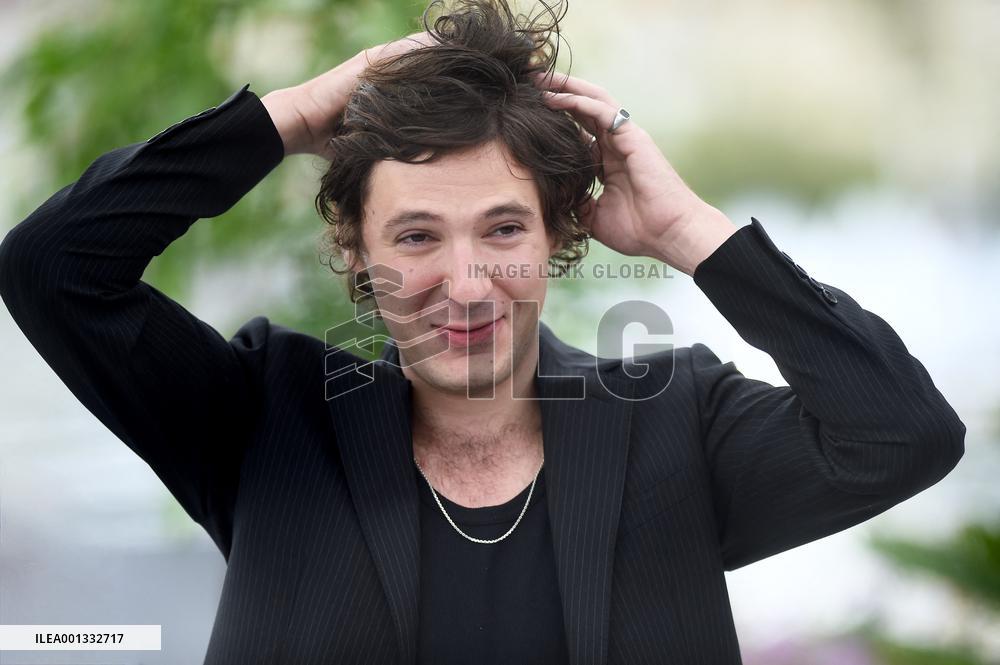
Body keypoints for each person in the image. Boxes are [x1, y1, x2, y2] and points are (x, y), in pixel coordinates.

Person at [0, 0, 966, 663]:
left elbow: (903, 433)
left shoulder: (679, 425)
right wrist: (287, 118)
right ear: (356, 249)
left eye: (503, 227)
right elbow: (53, 267)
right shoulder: (261, 418)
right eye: (416, 234)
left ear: (559, 232)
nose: (464, 283)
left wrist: (689, 233)